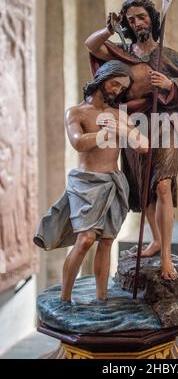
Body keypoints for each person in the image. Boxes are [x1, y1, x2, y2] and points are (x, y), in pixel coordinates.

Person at [84, 0, 178, 280]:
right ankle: (156, 240)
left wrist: (170, 83)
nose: (137, 23)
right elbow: (92, 45)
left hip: (166, 124)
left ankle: (166, 257)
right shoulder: (122, 54)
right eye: (131, 19)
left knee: (162, 186)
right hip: (134, 126)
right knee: (144, 187)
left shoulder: (168, 55)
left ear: (152, 19)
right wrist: (111, 28)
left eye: (142, 17)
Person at [34, 60, 148, 301]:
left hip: (113, 183)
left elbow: (143, 146)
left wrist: (122, 129)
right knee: (85, 239)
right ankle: (64, 297)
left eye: (122, 88)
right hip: (86, 183)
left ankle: (101, 297)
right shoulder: (76, 112)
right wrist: (106, 132)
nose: (117, 90)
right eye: (114, 83)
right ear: (101, 79)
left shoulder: (118, 115)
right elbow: (78, 142)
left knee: (106, 242)